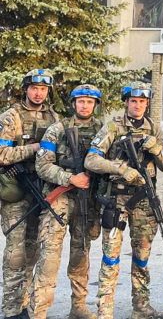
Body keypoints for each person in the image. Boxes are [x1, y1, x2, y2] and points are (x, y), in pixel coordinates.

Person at [84, 81, 163, 319]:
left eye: (142, 101)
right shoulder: (113, 126)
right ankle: (105, 311)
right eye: (133, 101)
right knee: (110, 257)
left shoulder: (154, 128)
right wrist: (120, 168)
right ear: (126, 102)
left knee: (142, 256)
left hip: (144, 200)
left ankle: (141, 307)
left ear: (147, 103)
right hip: (117, 199)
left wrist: (156, 149)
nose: (138, 105)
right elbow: (91, 160)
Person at [30, 84, 104, 319]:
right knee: (49, 255)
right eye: (81, 101)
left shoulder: (103, 130)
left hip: (87, 200)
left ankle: (78, 306)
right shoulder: (58, 129)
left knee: (81, 253)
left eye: (89, 102)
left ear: (95, 105)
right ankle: (39, 310)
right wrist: (70, 178)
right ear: (74, 104)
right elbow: (42, 165)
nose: (85, 106)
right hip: (59, 198)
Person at [0, 69, 59, 319]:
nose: (38, 93)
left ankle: (23, 305)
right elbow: (2, 155)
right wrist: (34, 147)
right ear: (26, 89)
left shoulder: (54, 117)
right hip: (15, 190)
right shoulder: (11, 116)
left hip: (40, 191)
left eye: (43, 89)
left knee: (33, 250)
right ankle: (10, 309)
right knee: (15, 254)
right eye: (34, 88)